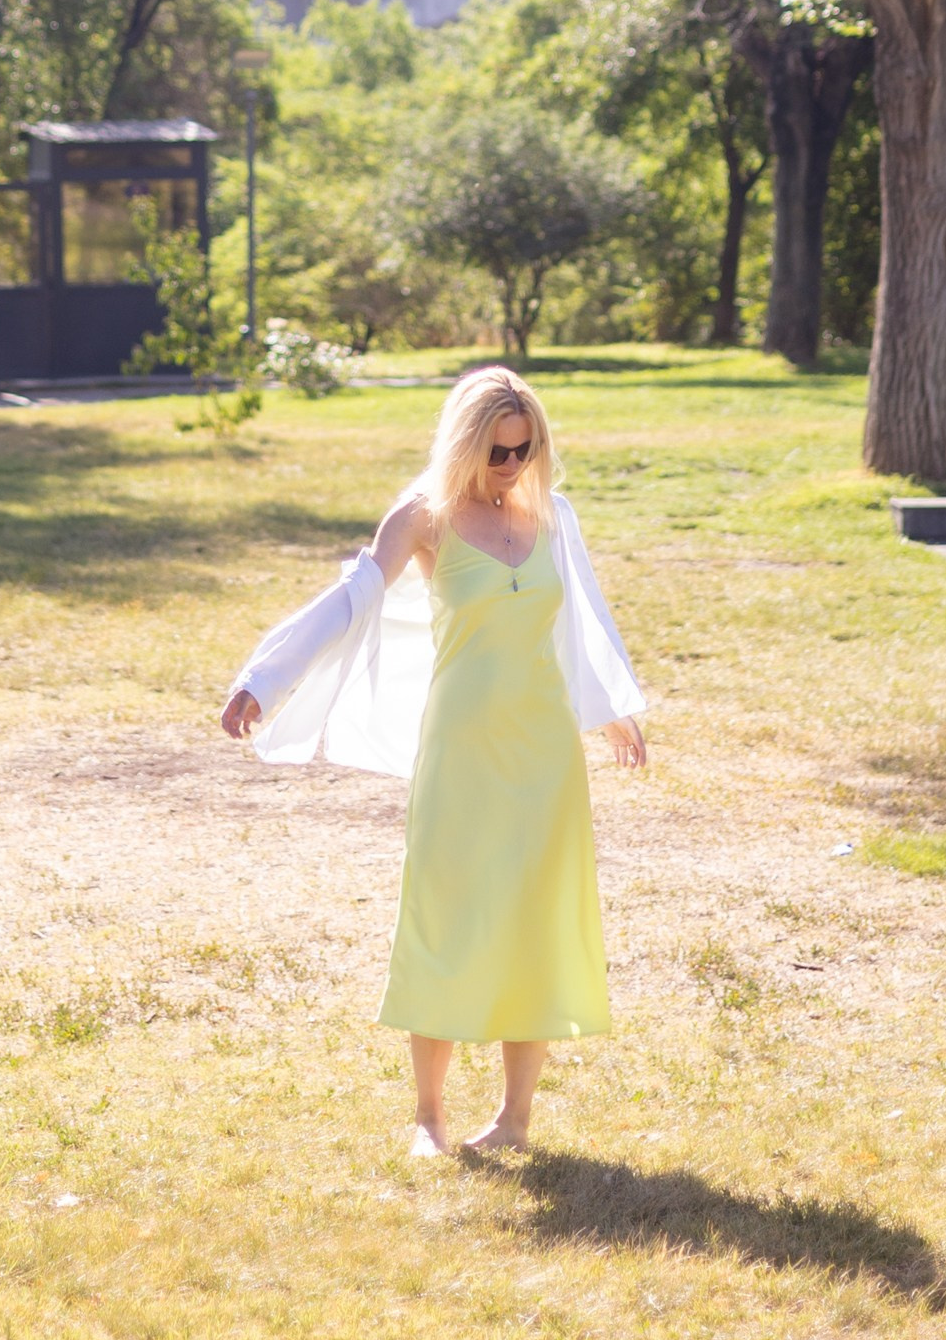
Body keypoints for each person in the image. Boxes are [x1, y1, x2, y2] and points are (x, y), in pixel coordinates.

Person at [219, 364, 647, 1160]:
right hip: (462, 750)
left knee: (537, 920)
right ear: (466, 444)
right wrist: (264, 679)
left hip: (544, 751)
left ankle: (516, 1119)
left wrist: (611, 711)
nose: (511, 467)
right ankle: (429, 1116)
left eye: (525, 451)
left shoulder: (553, 516)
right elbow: (349, 601)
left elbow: (581, 621)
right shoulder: (424, 520)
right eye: (497, 453)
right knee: (445, 915)